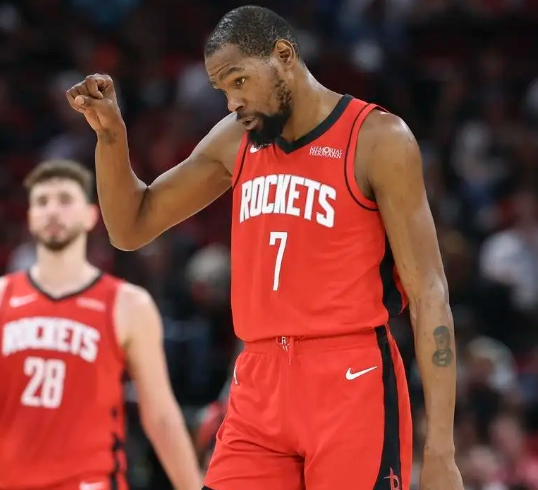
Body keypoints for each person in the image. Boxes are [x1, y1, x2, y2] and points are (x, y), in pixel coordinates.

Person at [66, 6, 465, 490]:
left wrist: (440, 451)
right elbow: (131, 227)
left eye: (239, 81)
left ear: (283, 55)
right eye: (223, 90)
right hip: (258, 378)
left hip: (350, 377)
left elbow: (429, 293)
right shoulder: (236, 140)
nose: (232, 102)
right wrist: (111, 137)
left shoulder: (378, 140)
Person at [0, 160, 202, 490]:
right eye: (42, 202)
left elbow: (161, 416)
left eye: (64, 200)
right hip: (6, 482)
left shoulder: (129, 305)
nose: (52, 211)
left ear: (91, 215)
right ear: (30, 217)